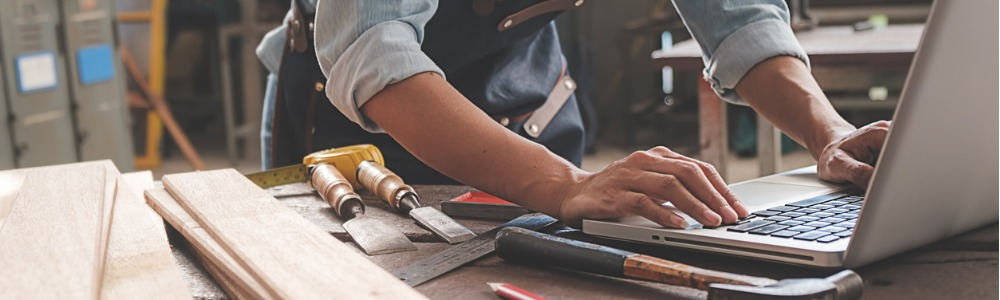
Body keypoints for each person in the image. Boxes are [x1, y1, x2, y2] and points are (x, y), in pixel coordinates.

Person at [256, 0, 889, 229]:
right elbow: (373, 51)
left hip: (530, 100)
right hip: (358, 129)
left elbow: (740, 18)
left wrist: (829, 134)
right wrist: (564, 184)